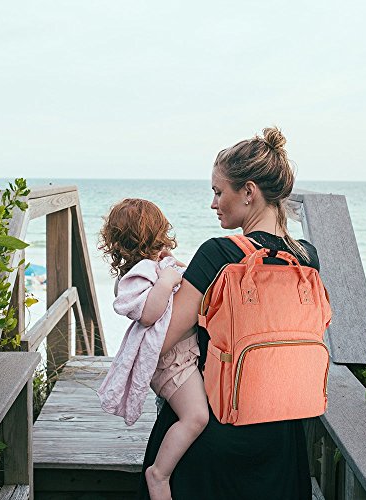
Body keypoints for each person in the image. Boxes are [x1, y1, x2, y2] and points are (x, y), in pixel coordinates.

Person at [136, 127, 321, 500]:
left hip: (212, 432)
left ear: (249, 192)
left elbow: (161, 342)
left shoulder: (217, 254)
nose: (213, 203)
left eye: (219, 192)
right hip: (279, 437)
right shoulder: (307, 257)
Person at [97, 199, 209, 500]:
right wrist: (167, 282)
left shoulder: (156, 267)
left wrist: (173, 269)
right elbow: (148, 314)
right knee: (196, 417)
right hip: (172, 363)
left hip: (183, 356)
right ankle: (159, 474)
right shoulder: (133, 278)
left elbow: (186, 284)